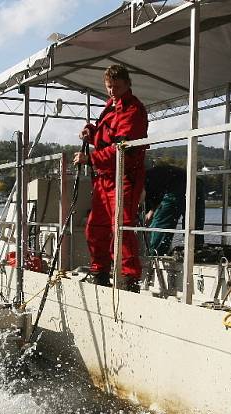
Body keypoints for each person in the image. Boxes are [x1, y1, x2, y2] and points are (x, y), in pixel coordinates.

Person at [74, 64, 148, 291]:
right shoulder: (111, 107)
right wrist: (93, 133)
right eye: (109, 87)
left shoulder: (133, 110)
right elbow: (108, 139)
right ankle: (100, 272)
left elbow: (122, 147)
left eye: (116, 86)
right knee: (95, 227)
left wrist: (90, 159)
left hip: (124, 176)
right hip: (105, 178)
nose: (112, 90)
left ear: (127, 84)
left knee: (122, 228)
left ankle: (129, 279)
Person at [143, 162, 205, 256]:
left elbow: (152, 203)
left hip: (178, 186)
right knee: (194, 221)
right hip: (195, 183)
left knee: (163, 222)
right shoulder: (154, 176)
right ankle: (195, 249)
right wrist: (150, 212)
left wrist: (148, 215)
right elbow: (154, 202)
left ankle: (156, 253)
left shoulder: (144, 182)